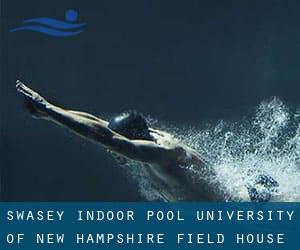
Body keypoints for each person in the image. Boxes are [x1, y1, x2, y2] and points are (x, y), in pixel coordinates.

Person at [15, 80, 278, 201]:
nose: (110, 151)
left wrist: (48, 109)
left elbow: (106, 137)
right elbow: (98, 125)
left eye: (115, 146)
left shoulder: (162, 154)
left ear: (132, 140)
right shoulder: (146, 139)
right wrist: (51, 113)